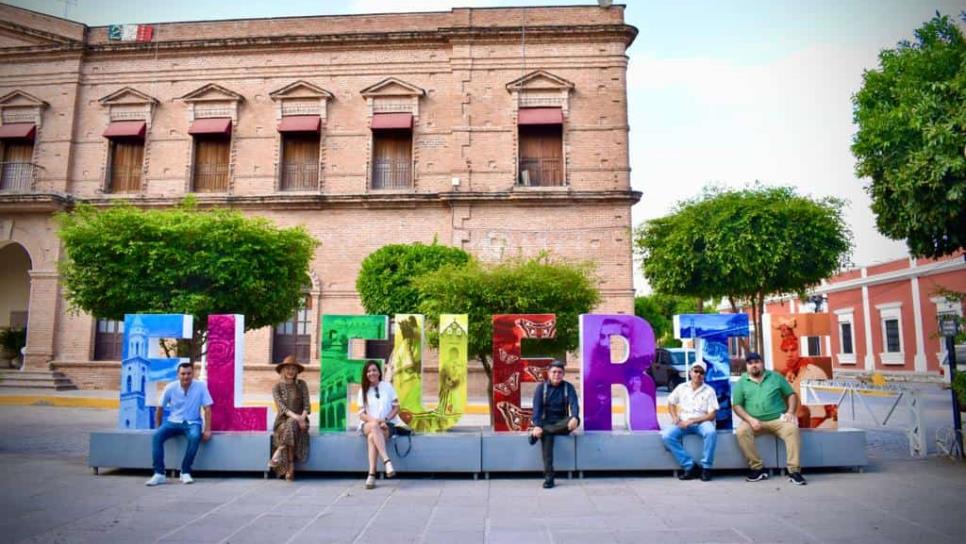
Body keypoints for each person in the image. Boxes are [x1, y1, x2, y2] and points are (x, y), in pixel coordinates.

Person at [732, 352, 807, 485]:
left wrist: (790, 412)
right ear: (747, 366)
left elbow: (791, 394)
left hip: (778, 419)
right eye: (750, 363)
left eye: (756, 362)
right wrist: (750, 419)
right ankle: (758, 468)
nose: (754, 365)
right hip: (753, 421)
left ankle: (794, 471)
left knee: (792, 430)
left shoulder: (776, 377)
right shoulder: (741, 382)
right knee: (741, 432)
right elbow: (737, 405)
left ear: (762, 363)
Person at [145, 362, 213, 486]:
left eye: (188, 373)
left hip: (193, 422)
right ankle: (159, 473)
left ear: (193, 374)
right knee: (157, 436)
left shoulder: (201, 386)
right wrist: (159, 427)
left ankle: (185, 471)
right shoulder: (170, 387)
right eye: (183, 374)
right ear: (178, 374)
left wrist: (207, 429)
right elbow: (160, 408)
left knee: (195, 437)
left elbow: (207, 408)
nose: (186, 376)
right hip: (173, 422)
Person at [661, 361, 718, 481]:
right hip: (683, 422)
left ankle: (706, 467)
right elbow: (671, 402)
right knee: (667, 436)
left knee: (711, 433)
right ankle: (690, 466)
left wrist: (693, 421)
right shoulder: (681, 388)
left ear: (704, 375)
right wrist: (675, 418)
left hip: (702, 422)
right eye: (696, 371)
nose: (698, 374)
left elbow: (712, 415)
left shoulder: (709, 391)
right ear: (690, 372)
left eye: (701, 372)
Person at [528, 360, 580, 489]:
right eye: (554, 372)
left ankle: (542, 433)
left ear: (563, 374)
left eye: (560, 372)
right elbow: (537, 409)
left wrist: (574, 417)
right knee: (547, 447)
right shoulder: (541, 388)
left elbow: (574, 405)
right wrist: (538, 425)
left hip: (563, 423)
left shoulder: (568, 387)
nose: (557, 374)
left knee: (575, 420)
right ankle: (549, 478)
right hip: (546, 422)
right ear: (548, 373)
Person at [358, 360, 400, 489]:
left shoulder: (387, 386)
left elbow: (396, 407)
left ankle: (371, 475)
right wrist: (376, 422)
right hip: (368, 425)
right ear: (366, 374)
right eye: (369, 371)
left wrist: (385, 420)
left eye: (374, 370)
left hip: (387, 425)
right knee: (374, 427)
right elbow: (361, 414)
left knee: (372, 438)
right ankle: (387, 461)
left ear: (379, 372)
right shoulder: (363, 390)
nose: (372, 373)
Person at [269, 355, 310, 481]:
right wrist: (297, 419)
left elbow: (307, 405)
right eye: (288, 368)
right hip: (282, 421)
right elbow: (282, 409)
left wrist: (302, 418)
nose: (291, 371)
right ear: (282, 370)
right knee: (290, 423)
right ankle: (291, 466)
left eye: (293, 369)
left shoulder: (302, 384)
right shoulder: (277, 387)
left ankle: (280, 451)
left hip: (301, 420)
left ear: (297, 371)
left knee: (292, 424)